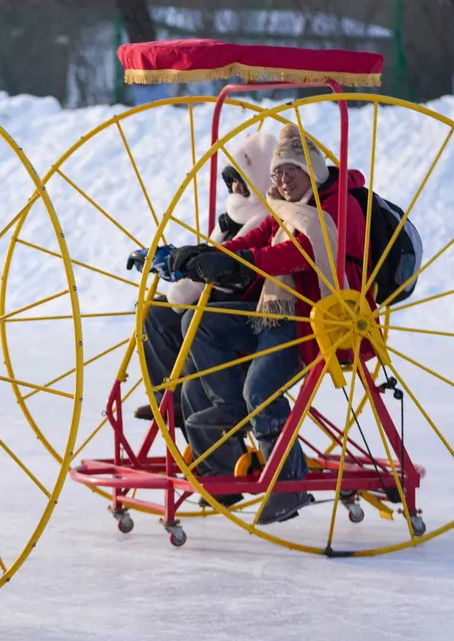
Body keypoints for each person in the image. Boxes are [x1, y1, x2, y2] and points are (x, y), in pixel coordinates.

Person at [165, 124, 370, 524]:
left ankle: (289, 481)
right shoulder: (282, 206)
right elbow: (252, 240)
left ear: (310, 170)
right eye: (276, 173)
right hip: (278, 315)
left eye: (290, 171)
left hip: (323, 324)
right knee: (202, 322)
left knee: (261, 387)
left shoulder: (337, 209)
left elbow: (301, 254)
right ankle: (232, 408)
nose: (281, 180)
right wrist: (206, 256)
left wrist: (243, 264)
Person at [132, 131, 278, 424]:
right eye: (230, 179)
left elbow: (222, 268)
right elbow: (211, 257)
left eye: (242, 180)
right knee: (155, 313)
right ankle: (169, 398)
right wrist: (174, 261)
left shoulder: (265, 221)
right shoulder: (232, 221)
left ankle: (203, 400)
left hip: (246, 311)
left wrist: (180, 274)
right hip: (217, 299)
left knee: (189, 319)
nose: (234, 187)